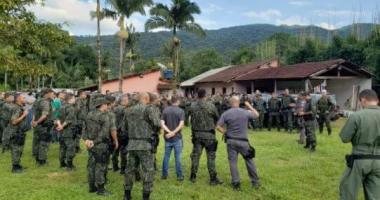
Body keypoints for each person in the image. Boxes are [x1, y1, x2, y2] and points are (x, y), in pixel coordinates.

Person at [339, 89, 380, 200]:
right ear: (377, 100)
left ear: (363, 100)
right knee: (375, 196)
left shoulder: (357, 116)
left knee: (348, 193)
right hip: (378, 161)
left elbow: (344, 138)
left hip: (359, 159)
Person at [216, 96, 260, 190]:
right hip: (243, 142)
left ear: (230, 103)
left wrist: (226, 132)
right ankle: (255, 182)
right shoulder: (245, 112)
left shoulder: (226, 113)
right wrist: (249, 106)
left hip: (231, 141)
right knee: (249, 161)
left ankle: (236, 183)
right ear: (239, 102)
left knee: (233, 162)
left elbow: (218, 127)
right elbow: (257, 115)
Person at [124, 93, 160, 200]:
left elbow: (124, 128)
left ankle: (127, 195)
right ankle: (145, 196)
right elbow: (157, 123)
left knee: (129, 170)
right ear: (145, 99)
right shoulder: (148, 109)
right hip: (145, 145)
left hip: (132, 144)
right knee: (148, 171)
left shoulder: (128, 110)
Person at [83, 96, 118, 196]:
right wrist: (115, 140)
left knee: (91, 165)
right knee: (101, 166)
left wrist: (86, 140)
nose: (108, 106)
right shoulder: (105, 116)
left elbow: (84, 129)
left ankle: (91, 187)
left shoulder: (89, 114)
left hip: (90, 144)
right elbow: (104, 133)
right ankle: (101, 189)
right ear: (102, 105)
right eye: (107, 104)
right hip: (101, 144)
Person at [188, 89, 223, 185]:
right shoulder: (211, 106)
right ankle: (213, 179)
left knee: (195, 156)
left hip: (197, 135)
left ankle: (193, 176)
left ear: (197, 95)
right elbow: (217, 117)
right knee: (211, 157)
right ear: (205, 95)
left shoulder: (192, 106)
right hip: (209, 136)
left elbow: (189, 117)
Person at [160, 96, 185, 181]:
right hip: (177, 137)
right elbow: (181, 124)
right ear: (177, 101)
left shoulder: (165, 110)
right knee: (178, 157)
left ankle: (164, 175)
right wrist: (173, 133)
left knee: (166, 156)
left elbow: (162, 124)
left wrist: (169, 132)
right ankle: (179, 176)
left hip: (167, 138)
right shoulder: (181, 111)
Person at [32, 89, 55, 165]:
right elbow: (44, 115)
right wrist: (37, 122)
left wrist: (34, 121)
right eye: (52, 94)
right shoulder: (45, 102)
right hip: (45, 125)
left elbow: (34, 113)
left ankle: (38, 159)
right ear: (47, 94)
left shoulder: (38, 100)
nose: (53, 95)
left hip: (39, 125)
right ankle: (42, 161)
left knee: (38, 142)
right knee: (44, 143)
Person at [8, 93, 29, 173]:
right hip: (16, 132)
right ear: (18, 99)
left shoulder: (19, 107)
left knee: (19, 149)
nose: (25, 99)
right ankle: (15, 168)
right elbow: (13, 121)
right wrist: (24, 115)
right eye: (23, 98)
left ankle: (18, 165)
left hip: (19, 131)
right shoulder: (17, 108)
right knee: (16, 149)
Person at [56, 93, 77, 170]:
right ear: (70, 99)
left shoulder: (62, 107)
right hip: (68, 130)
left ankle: (62, 163)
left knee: (62, 147)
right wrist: (62, 126)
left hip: (61, 131)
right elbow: (69, 119)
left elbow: (57, 118)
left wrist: (59, 125)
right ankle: (69, 165)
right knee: (70, 148)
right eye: (74, 98)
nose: (75, 100)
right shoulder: (71, 108)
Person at [111, 94, 129, 174]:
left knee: (115, 149)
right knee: (123, 151)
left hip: (115, 131)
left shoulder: (114, 109)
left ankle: (115, 166)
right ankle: (123, 168)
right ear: (124, 101)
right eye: (127, 100)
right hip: (123, 133)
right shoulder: (126, 110)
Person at [146, 93, 161, 171]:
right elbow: (156, 123)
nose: (160, 99)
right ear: (154, 99)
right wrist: (162, 124)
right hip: (151, 134)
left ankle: (153, 166)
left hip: (149, 134)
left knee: (152, 152)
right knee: (151, 152)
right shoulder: (152, 108)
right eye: (158, 97)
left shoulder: (151, 107)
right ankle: (151, 168)